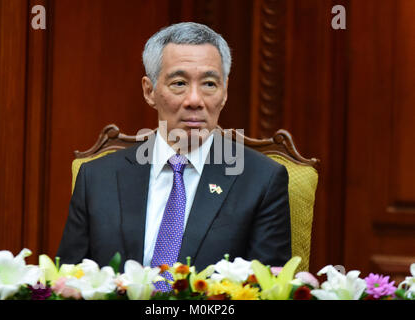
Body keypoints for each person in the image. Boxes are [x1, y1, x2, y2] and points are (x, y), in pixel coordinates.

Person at [57, 22, 291, 276]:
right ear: (149, 91)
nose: (194, 100)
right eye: (179, 83)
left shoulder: (261, 181)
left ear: (225, 92)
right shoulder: (97, 178)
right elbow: (68, 283)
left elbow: (268, 290)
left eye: (210, 84)